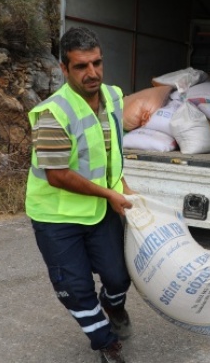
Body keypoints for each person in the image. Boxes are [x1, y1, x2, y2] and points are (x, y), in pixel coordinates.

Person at [26, 27, 134, 363]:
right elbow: (57, 176)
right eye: (81, 66)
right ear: (64, 68)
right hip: (56, 216)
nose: (92, 73)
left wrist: (122, 186)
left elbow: (109, 151)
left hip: (99, 207)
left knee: (119, 278)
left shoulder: (113, 97)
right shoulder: (53, 113)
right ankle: (104, 342)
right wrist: (109, 193)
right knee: (75, 289)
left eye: (97, 63)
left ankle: (113, 309)